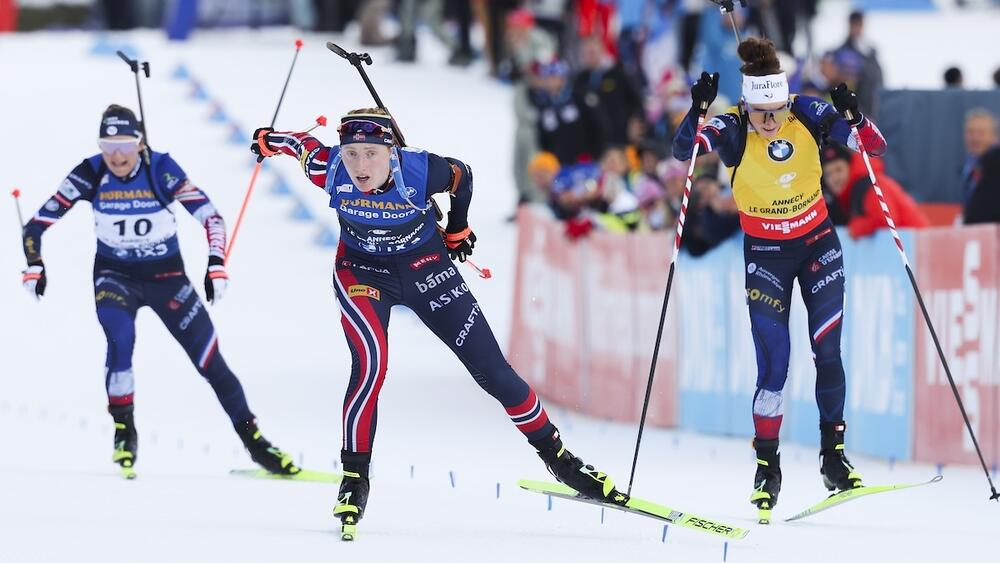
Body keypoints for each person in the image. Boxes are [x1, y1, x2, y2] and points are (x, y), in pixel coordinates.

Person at [250, 108, 624, 537]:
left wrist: (459, 228)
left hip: (428, 271)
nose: (360, 166)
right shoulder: (329, 167)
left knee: (494, 372)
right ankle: (354, 477)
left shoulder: (419, 170)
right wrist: (266, 139)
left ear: (391, 153)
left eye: (371, 154)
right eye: (351, 153)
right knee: (370, 367)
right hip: (362, 275)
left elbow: (462, 175)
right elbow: (298, 143)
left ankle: (561, 461)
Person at [672, 38, 888, 520]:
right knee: (774, 367)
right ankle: (767, 469)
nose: (769, 121)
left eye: (776, 110)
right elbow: (682, 151)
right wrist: (697, 110)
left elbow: (874, 146)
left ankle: (834, 458)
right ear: (746, 103)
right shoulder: (732, 125)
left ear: (785, 99)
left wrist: (856, 116)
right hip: (766, 255)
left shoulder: (806, 111)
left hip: (817, 246)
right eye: (759, 112)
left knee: (827, 349)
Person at [20, 105, 298, 478]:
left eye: (125, 144)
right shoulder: (91, 171)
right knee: (120, 340)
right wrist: (35, 264)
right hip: (114, 276)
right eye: (107, 144)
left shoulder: (161, 169)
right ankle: (124, 430)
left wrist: (215, 262)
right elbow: (36, 224)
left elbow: (211, 216)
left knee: (210, 361)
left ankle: (255, 441)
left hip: (167, 278)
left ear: (140, 142)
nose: (116, 155)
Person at [820, 143, 928, 238]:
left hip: (917, 249)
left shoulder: (868, 185)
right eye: (828, 174)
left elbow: (886, 220)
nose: (835, 178)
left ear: (850, 166)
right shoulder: (848, 194)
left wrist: (857, 227)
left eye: (839, 170)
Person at [961, 109, 1000, 224]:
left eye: (981, 133)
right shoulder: (969, 168)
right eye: (971, 132)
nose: (975, 138)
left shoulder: (995, 161)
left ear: (995, 137)